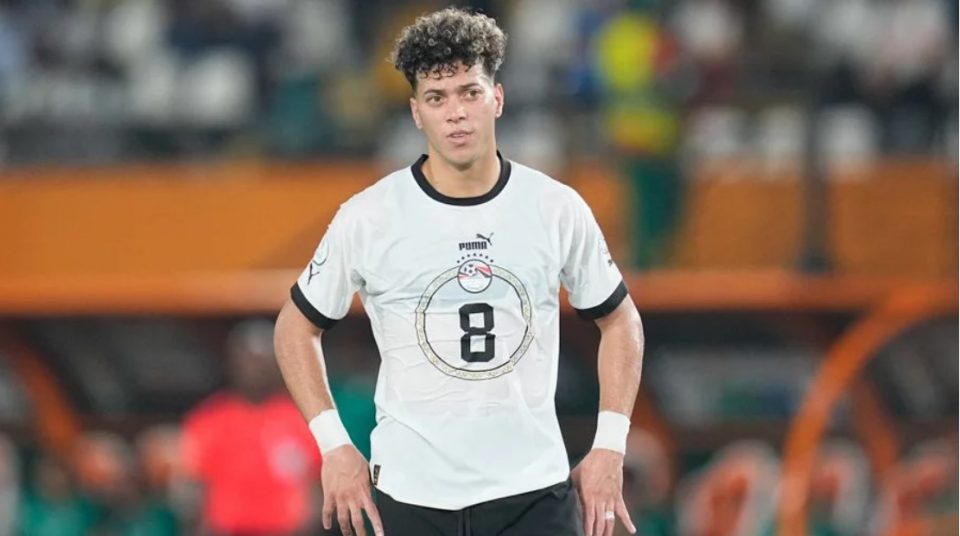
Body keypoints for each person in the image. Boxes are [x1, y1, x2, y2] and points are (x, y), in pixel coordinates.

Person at [273, 7, 644, 536]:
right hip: (409, 495)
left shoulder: (554, 206)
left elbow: (621, 319)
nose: (456, 113)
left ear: (498, 98)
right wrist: (334, 446)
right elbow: (295, 326)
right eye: (436, 98)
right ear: (416, 112)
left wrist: (610, 444)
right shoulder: (370, 216)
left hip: (532, 492)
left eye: (470, 92)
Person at [181, 319, 326, 535]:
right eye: (247, 359)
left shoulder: (303, 418)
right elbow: (192, 486)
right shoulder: (208, 419)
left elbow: (318, 486)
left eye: (261, 360)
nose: (254, 368)